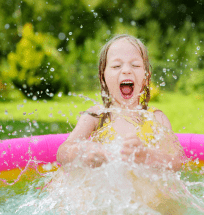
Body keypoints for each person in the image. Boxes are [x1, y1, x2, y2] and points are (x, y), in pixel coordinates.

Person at [56, 34, 186, 171]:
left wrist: (148, 156)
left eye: (135, 65)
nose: (126, 70)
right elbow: (62, 152)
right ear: (103, 77)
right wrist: (82, 151)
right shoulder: (96, 116)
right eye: (116, 66)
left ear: (146, 77)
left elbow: (177, 161)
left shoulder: (156, 118)